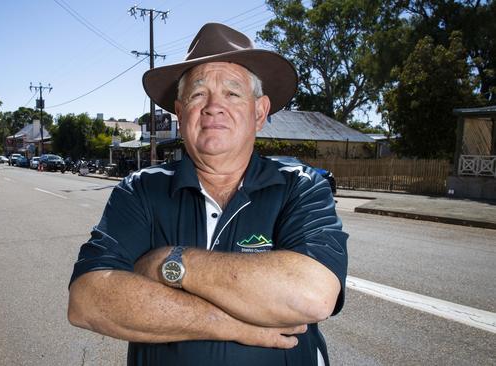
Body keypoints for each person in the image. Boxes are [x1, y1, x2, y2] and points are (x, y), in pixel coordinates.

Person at [68, 23, 348, 366]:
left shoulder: (299, 186)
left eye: (232, 93)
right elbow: (88, 301)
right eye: (198, 94)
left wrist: (170, 261)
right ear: (181, 111)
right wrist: (230, 324)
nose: (214, 106)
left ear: (259, 112)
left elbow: (311, 296)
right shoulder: (141, 190)